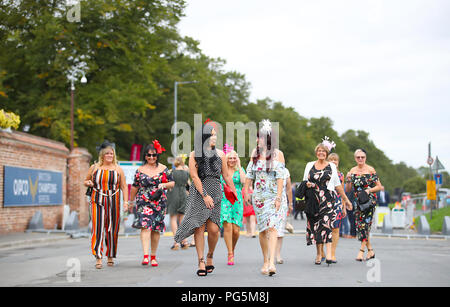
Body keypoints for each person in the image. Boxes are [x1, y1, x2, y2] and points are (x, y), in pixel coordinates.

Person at [174, 120, 236, 277]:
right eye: (212, 135)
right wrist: (204, 195)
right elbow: (194, 176)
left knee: (214, 229)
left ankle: (210, 255)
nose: (215, 138)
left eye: (215, 135)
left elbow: (226, 175)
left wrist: (235, 192)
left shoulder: (221, 154)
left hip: (215, 190)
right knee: (199, 227)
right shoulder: (194, 154)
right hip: (199, 192)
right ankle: (201, 261)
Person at [244, 119, 285, 276]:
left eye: (259, 137)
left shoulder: (278, 154)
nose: (257, 140)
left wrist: (279, 197)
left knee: (272, 228)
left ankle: (272, 263)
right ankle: (265, 260)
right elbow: (250, 173)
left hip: (273, 197)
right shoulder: (255, 154)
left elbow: (280, 176)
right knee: (262, 230)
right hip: (259, 198)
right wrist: (247, 190)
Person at [302, 141, 352, 266]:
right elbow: (304, 181)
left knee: (327, 225)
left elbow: (337, 185)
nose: (321, 153)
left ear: (326, 153)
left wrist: (346, 200)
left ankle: (329, 254)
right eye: (319, 151)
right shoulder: (309, 165)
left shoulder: (331, 166)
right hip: (313, 199)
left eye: (323, 151)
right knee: (316, 226)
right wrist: (307, 184)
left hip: (328, 200)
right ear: (316, 153)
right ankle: (319, 254)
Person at [129, 140, 175, 267]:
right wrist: (130, 201)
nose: (151, 157)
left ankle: (153, 256)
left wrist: (164, 184)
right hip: (143, 200)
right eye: (149, 155)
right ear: (145, 156)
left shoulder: (163, 168)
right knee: (145, 226)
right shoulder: (140, 170)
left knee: (155, 229)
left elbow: (172, 183)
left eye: (154, 155)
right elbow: (134, 186)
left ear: (157, 156)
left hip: (159, 201)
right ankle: (145, 256)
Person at [84, 140, 128, 269]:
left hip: (114, 200)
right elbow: (86, 180)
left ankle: (110, 255)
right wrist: (89, 183)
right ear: (102, 155)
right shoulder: (94, 167)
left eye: (112, 153)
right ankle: (98, 257)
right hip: (97, 199)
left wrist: (125, 202)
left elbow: (124, 187)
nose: (110, 155)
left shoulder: (118, 169)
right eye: (107, 153)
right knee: (98, 228)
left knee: (112, 228)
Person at [345, 148, 383, 261]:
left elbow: (379, 186)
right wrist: (348, 180)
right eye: (358, 157)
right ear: (355, 158)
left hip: (369, 201)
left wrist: (369, 190)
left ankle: (361, 251)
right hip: (358, 202)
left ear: (365, 158)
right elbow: (348, 190)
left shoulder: (370, 170)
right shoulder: (352, 171)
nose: (360, 159)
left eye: (362, 157)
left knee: (366, 225)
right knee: (360, 226)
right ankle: (370, 251)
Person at [220, 144, 246, 266]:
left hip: (237, 200)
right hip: (224, 200)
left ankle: (232, 249)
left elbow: (243, 181)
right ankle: (230, 253)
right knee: (228, 226)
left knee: (236, 230)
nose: (231, 160)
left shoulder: (239, 170)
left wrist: (239, 166)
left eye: (234, 158)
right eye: (229, 158)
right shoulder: (221, 170)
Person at [166, 155, 190, 250]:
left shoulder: (171, 172)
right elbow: (188, 184)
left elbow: (169, 184)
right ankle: (184, 241)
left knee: (173, 218)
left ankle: (176, 242)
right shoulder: (186, 173)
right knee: (182, 218)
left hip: (174, 194)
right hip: (183, 194)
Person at [327, 152, 346, 263]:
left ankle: (333, 254)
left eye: (336, 160)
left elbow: (342, 191)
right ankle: (323, 252)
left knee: (335, 228)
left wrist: (343, 206)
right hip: (325, 202)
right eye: (331, 159)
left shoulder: (341, 175)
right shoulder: (324, 173)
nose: (334, 161)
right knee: (325, 228)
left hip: (337, 203)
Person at [275, 167, 293, 264]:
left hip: (282, 203)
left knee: (280, 229)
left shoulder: (285, 171)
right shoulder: (265, 168)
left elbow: (289, 188)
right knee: (269, 229)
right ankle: (269, 254)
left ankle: (278, 254)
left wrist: (290, 203)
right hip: (268, 202)